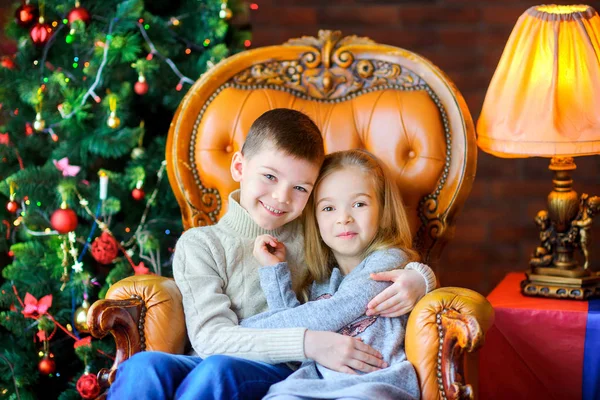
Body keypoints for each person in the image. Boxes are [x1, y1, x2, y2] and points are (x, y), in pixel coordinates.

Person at [107, 109, 434, 400]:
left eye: (301, 188)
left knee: (219, 371)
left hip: (280, 371)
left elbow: (364, 267)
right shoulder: (201, 244)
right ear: (239, 166)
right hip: (211, 356)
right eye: (269, 176)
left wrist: (421, 278)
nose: (281, 197)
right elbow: (209, 340)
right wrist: (308, 342)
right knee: (143, 366)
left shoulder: (315, 234)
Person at [241, 149, 436, 399]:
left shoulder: (390, 262)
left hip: (373, 385)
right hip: (311, 386)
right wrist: (274, 271)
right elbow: (294, 332)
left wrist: (237, 334)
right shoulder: (321, 280)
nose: (344, 218)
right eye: (329, 208)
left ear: (383, 210)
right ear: (315, 219)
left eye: (359, 204)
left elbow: (326, 314)